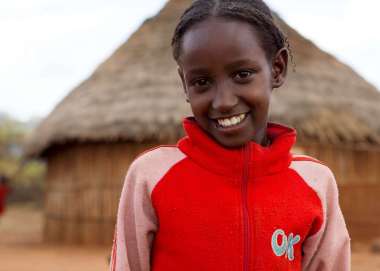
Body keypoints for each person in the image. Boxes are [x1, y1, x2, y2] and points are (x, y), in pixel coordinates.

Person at [110, 0, 351, 270]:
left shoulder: (315, 184)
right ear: (184, 84)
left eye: (242, 74)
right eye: (202, 82)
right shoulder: (151, 176)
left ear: (278, 68)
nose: (223, 101)